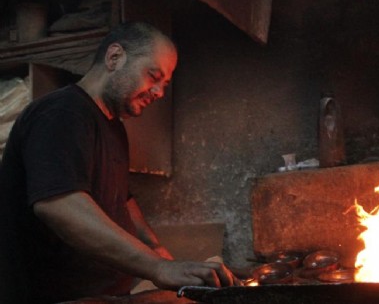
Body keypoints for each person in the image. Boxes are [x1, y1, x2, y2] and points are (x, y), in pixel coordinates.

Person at [0, 22, 240, 304]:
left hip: (107, 295)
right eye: (154, 76)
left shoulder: (113, 127)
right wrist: (158, 267)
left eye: (164, 83)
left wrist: (161, 253)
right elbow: (59, 205)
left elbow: (123, 200)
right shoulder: (61, 113)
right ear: (115, 57)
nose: (160, 92)